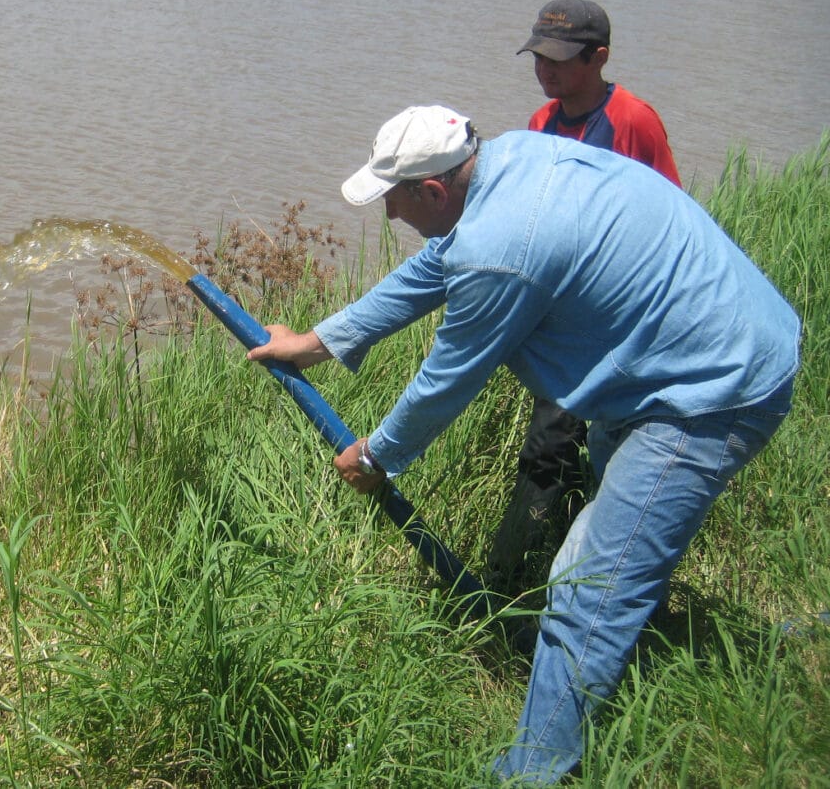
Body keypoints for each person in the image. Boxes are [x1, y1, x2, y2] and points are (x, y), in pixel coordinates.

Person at [247, 104, 799, 784]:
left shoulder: (504, 245)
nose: (391, 217)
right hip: (687, 349)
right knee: (623, 543)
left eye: (393, 201)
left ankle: (536, 769)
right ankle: (638, 640)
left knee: (587, 586)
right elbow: (431, 272)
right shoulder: (509, 161)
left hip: (711, 389)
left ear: (433, 190)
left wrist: (377, 455)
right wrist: (315, 342)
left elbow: (444, 381)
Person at [488, 0, 683, 593]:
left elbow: (672, 217)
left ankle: (580, 579)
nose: (546, 69)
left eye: (561, 59)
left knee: (606, 451)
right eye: (538, 57)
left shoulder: (633, 120)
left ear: (599, 56)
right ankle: (515, 580)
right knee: (549, 448)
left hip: (623, 322)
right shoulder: (540, 123)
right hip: (562, 320)